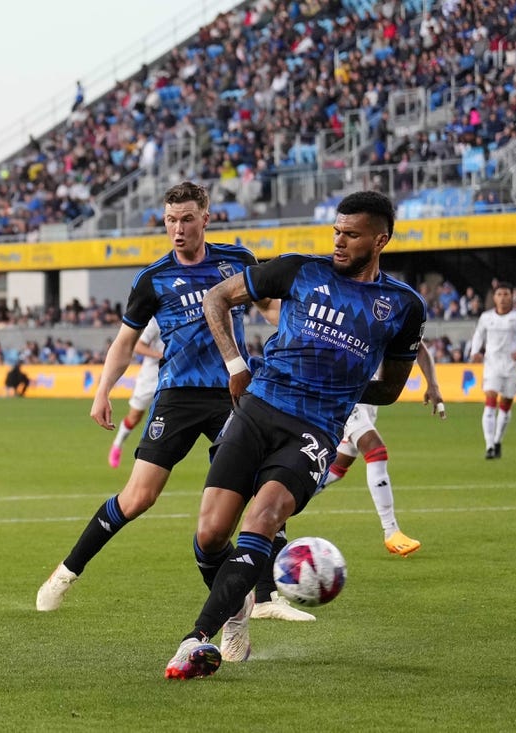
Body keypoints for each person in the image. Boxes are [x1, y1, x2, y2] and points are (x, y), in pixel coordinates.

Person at [164, 190, 427, 680]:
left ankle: (194, 641)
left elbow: (390, 389)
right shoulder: (299, 270)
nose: (340, 242)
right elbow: (217, 298)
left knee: (264, 517)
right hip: (258, 408)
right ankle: (237, 612)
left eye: (352, 234)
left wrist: (339, 390)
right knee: (210, 534)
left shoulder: (403, 306)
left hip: (315, 431)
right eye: (337, 231)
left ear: (381, 239)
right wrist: (235, 363)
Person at [36, 181, 291, 617]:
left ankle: (267, 597)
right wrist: (102, 392)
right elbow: (123, 342)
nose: (177, 228)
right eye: (171, 220)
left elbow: (270, 308)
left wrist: (300, 330)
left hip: (232, 394)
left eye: (187, 219)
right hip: (176, 396)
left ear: (205, 219)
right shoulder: (152, 279)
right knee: (138, 498)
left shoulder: (236, 261)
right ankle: (65, 573)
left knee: (258, 484)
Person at [311, 343, 445, 561]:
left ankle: (278, 502)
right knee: (376, 450)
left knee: (335, 468)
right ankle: (391, 531)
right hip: (341, 391)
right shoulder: (351, 313)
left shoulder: (394, 314)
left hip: (368, 398)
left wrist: (433, 384)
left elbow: (418, 347)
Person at [469, 282, 516, 459]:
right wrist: (475, 352)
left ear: (512, 296)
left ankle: (498, 441)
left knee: (505, 406)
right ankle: (489, 445)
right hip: (492, 365)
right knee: (490, 402)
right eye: (500, 294)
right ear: (494, 297)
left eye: (506, 294)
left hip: (512, 366)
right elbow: (478, 335)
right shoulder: (486, 317)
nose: (503, 298)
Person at [107, 318, 161, 469]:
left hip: (176, 374)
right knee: (135, 416)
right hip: (151, 376)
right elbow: (138, 346)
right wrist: (161, 355)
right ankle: (118, 444)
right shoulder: (155, 322)